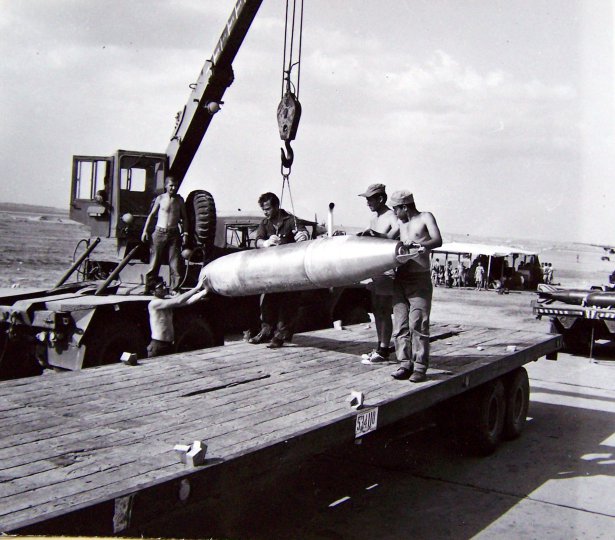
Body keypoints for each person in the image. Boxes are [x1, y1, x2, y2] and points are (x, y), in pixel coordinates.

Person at [389, 190, 442, 383]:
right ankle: (404, 364)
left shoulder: (425, 217)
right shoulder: (400, 223)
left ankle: (419, 367)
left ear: (404, 206)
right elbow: (386, 237)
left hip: (419, 279)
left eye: (396, 209)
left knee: (418, 324)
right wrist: (371, 235)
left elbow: (437, 240)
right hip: (400, 277)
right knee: (400, 324)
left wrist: (420, 244)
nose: (395, 213)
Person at [248, 192, 309, 348]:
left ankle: (280, 336)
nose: (265, 212)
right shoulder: (265, 223)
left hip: (291, 272)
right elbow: (257, 241)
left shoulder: (291, 220)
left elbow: (303, 232)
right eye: (263, 209)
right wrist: (266, 243)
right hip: (273, 271)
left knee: (288, 305)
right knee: (268, 303)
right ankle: (266, 331)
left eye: (268, 209)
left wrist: (303, 236)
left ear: (276, 206)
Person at [356, 183, 400, 364]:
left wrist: (375, 234)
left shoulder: (392, 216)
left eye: (370, 199)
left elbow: (395, 235)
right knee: (376, 310)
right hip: (375, 270)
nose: (367, 203)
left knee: (383, 309)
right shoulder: (374, 218)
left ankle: (384, 349)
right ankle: (380, 346)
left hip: (387, 270)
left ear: (380, 199)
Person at [141, 176, 189, 294]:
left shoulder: (179, 200)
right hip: (159, 233)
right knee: (154, 262)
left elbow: (185, 218)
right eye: (171, 185)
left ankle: (174, 288)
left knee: (175, 263)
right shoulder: (160, 198)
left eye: (175, 186)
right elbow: (151, 215)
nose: (173, 188)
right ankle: (150, 287)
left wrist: (185, 233)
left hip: (174, 234)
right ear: (166, 186)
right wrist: (145, 231)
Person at [147, 270, 210, 357]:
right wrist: (196, 288)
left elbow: (188, 302)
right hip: (158, 346)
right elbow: (178, 300)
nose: (164, 288)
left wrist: (205, 291)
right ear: (152, 292)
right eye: (160, 287)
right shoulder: (154, 303)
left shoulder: (164, 302)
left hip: (168, 345)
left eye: (164, 284)